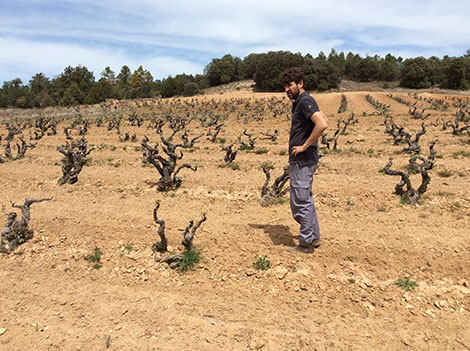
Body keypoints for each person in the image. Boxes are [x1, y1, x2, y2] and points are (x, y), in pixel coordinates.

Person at [279, 68, 328, 253]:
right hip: (304, 159)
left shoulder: (305, 101)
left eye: (290, 85)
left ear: (300, 83)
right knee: (305, 198)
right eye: (284, 86)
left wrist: (304, 146)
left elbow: (322, 124)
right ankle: (313, 238)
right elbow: (324, 119)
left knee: (300, 200)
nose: (287, 90)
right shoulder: (304, 100)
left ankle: (306, 244)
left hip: (303, 158)